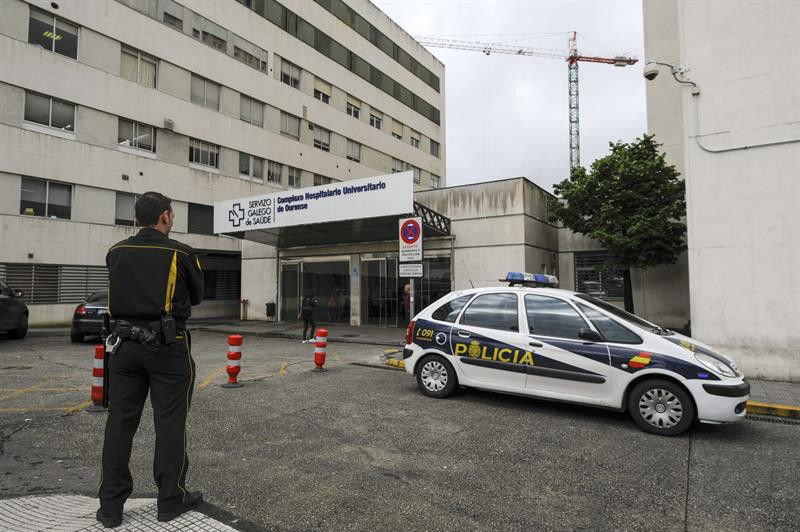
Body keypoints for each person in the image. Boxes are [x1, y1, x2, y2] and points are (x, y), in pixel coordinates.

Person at [96, 192, 204, 528]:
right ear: (166, 217)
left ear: (136, 218)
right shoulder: (182, 253)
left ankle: (111, 506)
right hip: (168, 346)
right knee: (169, 423)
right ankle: (170, 499)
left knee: (120, 423)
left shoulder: (115, 252)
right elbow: (197, 296)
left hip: (124, 347)